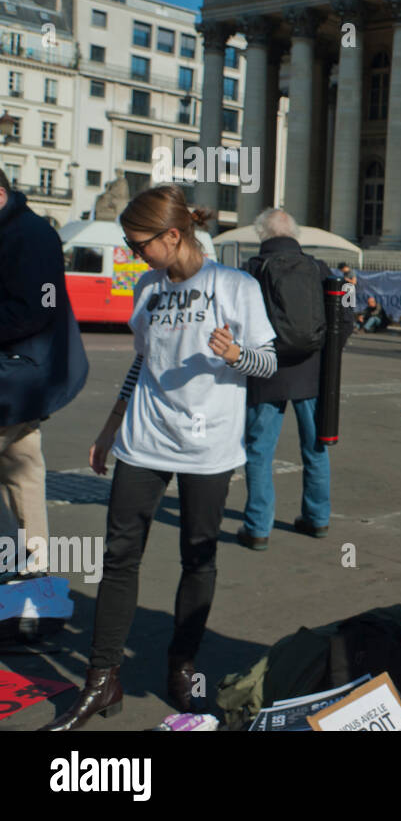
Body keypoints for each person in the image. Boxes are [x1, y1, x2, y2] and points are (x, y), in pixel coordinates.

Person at [44, 184, 276, 730]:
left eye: (138, 243)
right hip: (144, 439)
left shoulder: (234, 286)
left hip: (209, 444)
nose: (132, 253)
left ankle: (182, 668)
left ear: (172, 235)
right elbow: (142, 364)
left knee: (198, 557)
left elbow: (268, 363)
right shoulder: (147, 288)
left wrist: (237, 355)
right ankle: (101, 681)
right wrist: (110, 426)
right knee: (120, 556)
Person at [0, 170, 89, 575]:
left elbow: (38, 307)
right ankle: (35, 581)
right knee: (24, 474)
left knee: (23, 475)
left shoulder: (29, 234)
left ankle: (25, 580)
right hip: (23, 375)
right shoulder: (25, 230)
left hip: (17, 375)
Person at [239, 208, 341, 551]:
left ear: (261, 234)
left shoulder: (252, 269)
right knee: (315, 449)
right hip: (312, 373)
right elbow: (345, 317)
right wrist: (325, 352)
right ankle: (317, 519)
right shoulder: (317, 268)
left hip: (266, 370)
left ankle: (257, 526)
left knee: (259, 451)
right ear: (295, 233)